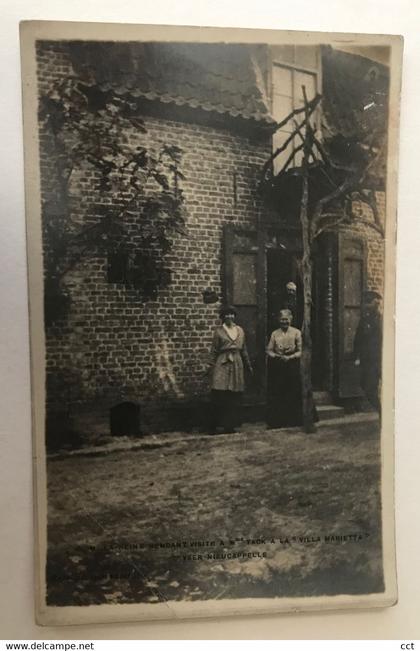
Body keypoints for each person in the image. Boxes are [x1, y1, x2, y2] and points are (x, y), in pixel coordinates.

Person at [208, 306, 253, 434]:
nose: (229, 317)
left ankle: (230, 425)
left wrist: (248, 365)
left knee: (234, 395)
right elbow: (214, 351)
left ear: (234, 316)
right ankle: (215, 425)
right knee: (219, 393)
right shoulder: (219, 332)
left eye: (231, 314)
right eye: (226, 315)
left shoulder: (240, 330)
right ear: (223, 317)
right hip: (222, 363)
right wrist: (209, 366)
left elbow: (244, 350)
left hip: (237, 363)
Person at [266, 309, 303, 428]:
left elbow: (301, 351)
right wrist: (277, 356)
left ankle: (294, 420)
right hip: (279, 366)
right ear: (278, 320)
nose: (284, 322)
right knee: (279, 392)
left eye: (286, 320)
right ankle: (278, 421)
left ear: (290, 320)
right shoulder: (274, 333)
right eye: (282, 320)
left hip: (292, 365)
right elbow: (269, 350)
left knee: (292, 392)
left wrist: (291, 357)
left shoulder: (297, 332)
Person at [353, 290, 383, 412]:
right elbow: (358, 339)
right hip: (368, 361)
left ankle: (383, 413)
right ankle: (382, 411)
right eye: (372, 303)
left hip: (379, 360)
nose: (368, 306)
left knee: (373, 388)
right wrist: (357, 357)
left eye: (376, 304)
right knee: (366, 387)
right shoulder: (365, 320)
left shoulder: (382, 319)